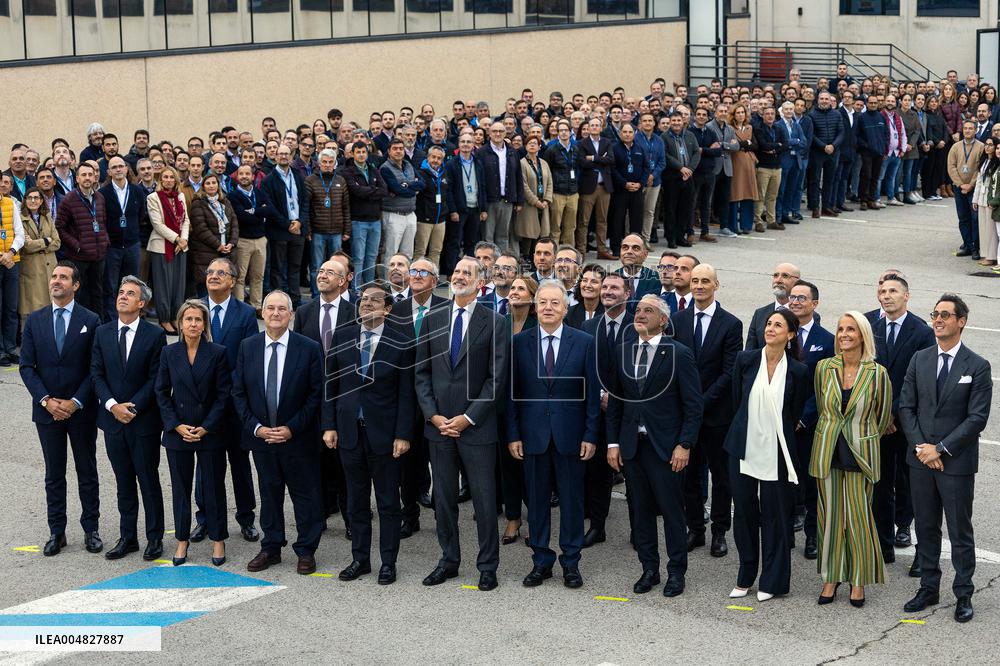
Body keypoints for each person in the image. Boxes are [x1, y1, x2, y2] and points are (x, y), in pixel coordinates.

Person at [413, 257, 509, 592]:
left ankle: (487, 565)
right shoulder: (433, 318)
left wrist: (468, 418)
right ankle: (448, 560)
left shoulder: (495, 322)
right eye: (455, 272)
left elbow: (496, 380)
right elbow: (421, 374)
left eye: (467, 272)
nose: (459, 276)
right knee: (443, 498)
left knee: (483, 499)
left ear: (481, 282)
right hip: (438, 427)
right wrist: (434, 416)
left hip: (476, 428)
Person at [900, 294, 992, 623]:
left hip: (955, 464)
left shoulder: (978, 366)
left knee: (959, 531)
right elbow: (906, 407)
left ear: (961, 321)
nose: (938, 320)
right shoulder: (919, 359)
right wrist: (922, 448)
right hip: (920, 461)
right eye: (935, 314)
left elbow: (976, 418)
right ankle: (928, 586)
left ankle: (964, 592)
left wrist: (940, 449)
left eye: (945, 315)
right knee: (925, 528)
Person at [606, 294, 703, 597]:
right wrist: (613, 443)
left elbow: (693, 405)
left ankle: (676, 572)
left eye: (648, 311)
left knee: (673, 513)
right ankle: (649, 569)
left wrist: (684, 444)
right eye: (638, 310)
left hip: (666, 448)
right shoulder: (623, 352)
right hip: (633, 447)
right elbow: (616, 404)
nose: (640, 314)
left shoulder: (678, 353)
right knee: (641, 512)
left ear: (663, 320)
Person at [508, 281, 600, 589]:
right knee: (536, 502)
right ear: (535, 307)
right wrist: (514, 434)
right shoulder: (520, 343)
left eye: (554, 303)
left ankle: (571, 563)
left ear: (564, 308)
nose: (548, 307)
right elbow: (512, 393)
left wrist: (590, 434)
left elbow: (591, 394)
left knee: (573, 502)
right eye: (543, 302)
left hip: (571, 437)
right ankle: (541, 562)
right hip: (532, 436)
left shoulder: (584, 342)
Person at [322, 282, 415, 585]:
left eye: (375, 301)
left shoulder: (402, 342)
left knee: (388, 503)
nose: (367, 304)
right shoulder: (344, 335)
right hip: (349, 433)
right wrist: (329, 425)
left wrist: (403, 434)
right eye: (364, 300)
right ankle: (360, 559)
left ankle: (388, 562)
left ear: (388, 309)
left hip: (385, 437)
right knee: (356, 501)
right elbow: (331, 386)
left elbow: (406, 395)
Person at [232, 290, 325, 575]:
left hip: (297, 439)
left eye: (281, 309)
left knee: (304, 496)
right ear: (262, 312)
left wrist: (291, 429)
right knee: (269, 494)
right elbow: (238, 392)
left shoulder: (308, 348)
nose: (275, 313)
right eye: (270, 308)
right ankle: (271, 547)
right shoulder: (248, 346)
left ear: (291, 314)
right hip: (262, 440)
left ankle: (306, 550)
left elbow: (315, 394)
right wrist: (257, 428)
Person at [19, 262, 103, 556]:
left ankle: (91, 529)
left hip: (80, 411)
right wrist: (46, 400)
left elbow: (95, 368)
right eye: (54, 276)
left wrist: (75, 402)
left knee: (87, 470)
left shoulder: (91, 320)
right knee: (54, 474)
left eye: (63, 277)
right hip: (46, 411)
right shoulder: (35, 320)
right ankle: (57, 531)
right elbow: (27, 366)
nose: (56, 281)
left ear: (76, 285)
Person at [725, 309, 809, 601]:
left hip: (778, 451)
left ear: (791, 335)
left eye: (778, 325)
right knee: (745, 514)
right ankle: (746, 574)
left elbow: (793, 411)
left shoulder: (799, 371)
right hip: (744, 448)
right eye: (769, 324)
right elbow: (737, 401)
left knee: (776, 516)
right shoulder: (745, 360)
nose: (770, 328)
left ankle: (772, 581)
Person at [810, 311, 892, 608]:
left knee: (858, 519)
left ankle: (858, 580)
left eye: (851, 330)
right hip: (827, 451)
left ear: (862, 336)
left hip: (861, 454)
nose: (844, 334)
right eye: (840, 329)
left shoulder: (877, 373)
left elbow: (882, 418)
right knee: (830, 518)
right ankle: (831, 577)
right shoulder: (823, 368)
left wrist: (862, 436)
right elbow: (823, 407)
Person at [91, 275, 168, 561]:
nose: (123, 296)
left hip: (143, 422)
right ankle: (128, 537)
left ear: (141, 303)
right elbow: (96, 373)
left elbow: (156, 378)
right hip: (112, 421)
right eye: (121, 292)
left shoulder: (155, 335)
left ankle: (154, 538)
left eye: (130, 293)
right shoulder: (103, 332)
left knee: (148, 481)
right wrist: (112, 406)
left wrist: (131, 407)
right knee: (123, 482)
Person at [672, 265, 742, 556]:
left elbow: (729, 372)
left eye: (705, 281)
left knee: (721, 477)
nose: (699, 286)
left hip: (716, 415)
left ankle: (719, 531)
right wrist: (690, 405)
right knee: (688, 475)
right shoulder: (677, 320)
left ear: (716, 285)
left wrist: (700, 402)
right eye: (696, 280)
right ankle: (695, 529)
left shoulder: (731, 323)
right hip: (686, 414)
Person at [155, 299, 231, 567]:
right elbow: (161, 392)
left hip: (209, 430)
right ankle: (182, 540)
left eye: (198, 319)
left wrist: (206, 426)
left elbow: (224, 395)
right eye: (188, 319)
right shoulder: (169, 353)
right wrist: (175, 425)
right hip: (179, 431)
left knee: (213, 488)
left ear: (204, 324)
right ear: (180, 323)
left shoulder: (218, 352)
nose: (193, 324)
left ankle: (219, 539)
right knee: (181, 489)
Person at [867, 274, 935, 565]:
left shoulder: (921, 331)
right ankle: (883, 546)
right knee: (879, 487)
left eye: (893, 291)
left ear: (906, 296)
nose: (887, 295)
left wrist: (894, 412)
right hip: (876, 421)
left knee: (915, 487)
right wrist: (880, 413)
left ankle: (921, 551)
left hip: (907, 421)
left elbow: (919, 379)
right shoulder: (870, 326)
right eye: (882, 291)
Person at [292, 257, 356, 531]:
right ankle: (319, 514)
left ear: (343, 281)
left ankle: (352, 518)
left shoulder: (355, 311)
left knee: (345, 464)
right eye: (320, 271)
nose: (323, 275)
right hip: (313, 399)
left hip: (344, 398)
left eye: (331, 272)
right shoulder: (304, 312)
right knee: (315, 460)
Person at [786, 280, 835, 560]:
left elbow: (826, 386)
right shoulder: (783, 335)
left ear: (814, 304)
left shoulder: (827, 340)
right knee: (787, 479)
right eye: (792, 297)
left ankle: (813, 535)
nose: (795, 302)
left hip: (811, 424)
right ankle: (789, 524)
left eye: (801, 298)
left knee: (812, 482)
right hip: (784, 422)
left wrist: (803, 418)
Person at [55, 162, 108, 317]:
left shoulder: (99, 197)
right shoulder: (69, 199)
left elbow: (103, 222)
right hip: (79, 257)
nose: (87, 178)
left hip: (98, 256)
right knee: (80, 295)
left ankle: (98, 327)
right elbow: (60, 227)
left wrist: (105, 242)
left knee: (98, 294)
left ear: (95, 177)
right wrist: (77, 246)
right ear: (77, 178)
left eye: (90, 174)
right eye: (83, 175)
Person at [261, 145, 310, 307]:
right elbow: (270, 207)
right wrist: (287, 224)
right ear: (275, 156)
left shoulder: (298, 175)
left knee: (295, 267)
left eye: (286, 154)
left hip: (298, 229)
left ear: (291, 156)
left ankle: (295, 300)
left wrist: (300, 222)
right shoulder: (269, 179)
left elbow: (305, 201)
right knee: (278, 268)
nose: (283, 156)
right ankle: (279, 302)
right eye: (280, 154)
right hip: (279, 230)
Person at [98, 156, 145, 322]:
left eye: (121, 166)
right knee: (111, 286)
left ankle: (131, 317)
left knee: (132, 285)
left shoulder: (137, 191)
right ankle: (112, 320)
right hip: (112, 247)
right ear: (109, 172)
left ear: (126, 169)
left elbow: (140, 215)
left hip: (132, 245)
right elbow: (101, 219)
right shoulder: (103, 194)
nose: (118, 169)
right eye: (114, 167)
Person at [146, 166, 189, 335]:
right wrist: (177, 238)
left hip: (181, 247)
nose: (169, 180)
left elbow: (185, 220)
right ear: (160, 179)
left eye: (172, 177)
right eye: (166, 177)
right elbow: (157, 224)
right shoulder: (153, 198)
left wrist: (183, 240)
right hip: (161, 246)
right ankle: (164, 319)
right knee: (164, 284)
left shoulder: (180, 196)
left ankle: (175, 317)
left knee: (178, 285)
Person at [304, 148, 351, 295]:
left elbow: (346, 206)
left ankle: (335, 293)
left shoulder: (340, 180)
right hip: (318, 231)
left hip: (337, 231)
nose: (327, 165)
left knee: (336, 267)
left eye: (331, 162)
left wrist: (347, 230)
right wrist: (308, 230)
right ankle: (316, 295)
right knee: (317, 267)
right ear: (319, 163)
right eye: (324, 162)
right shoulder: (310, 180)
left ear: (335, 163)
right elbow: (306, 208)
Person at [342, 142, 386, 290]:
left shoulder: (373, 169)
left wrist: (367, 191)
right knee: (358, 258)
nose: (361, 154)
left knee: (372, 257)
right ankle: (356, 289)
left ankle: (369, 288)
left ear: (367, 153)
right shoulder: (347, 171)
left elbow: (384, 190)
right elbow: (356, 191)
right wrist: (373, 190)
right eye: (358, 152)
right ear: (352, 154)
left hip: (375, 221)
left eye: (363, 152)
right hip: (358, 221)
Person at [442, 134, 487, 274]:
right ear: (458, 144)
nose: (466, 144)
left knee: (471, 242)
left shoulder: (478, 163)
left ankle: (470, 271)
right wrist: (453, 210)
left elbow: (483, 187)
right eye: (463, 141)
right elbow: (448, 189)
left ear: (473, 144)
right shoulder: (451, 164)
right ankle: (451, 271)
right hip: (459, 210)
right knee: (454, 242)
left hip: (475, 208)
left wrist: (483, 209)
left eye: (469, 141)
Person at [228, 164, 270, 313]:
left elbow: (268, 210)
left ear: (253, 177)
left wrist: (253, 211)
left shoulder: (259, 193)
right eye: (241, 174)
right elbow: (241, 216)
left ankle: (256, 306)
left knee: (258, 276)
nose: (244, 176)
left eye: (247, 174)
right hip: (242, 241)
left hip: (260, 240)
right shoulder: (232, 196)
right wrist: (259, 212)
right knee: (240, 277)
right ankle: (240, 307)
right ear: (237, 177)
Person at [188, 174, 239, 291]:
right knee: (206, 287)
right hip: (206, 252)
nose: (211, 186)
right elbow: (201, 229)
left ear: (218, 185)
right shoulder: (198, 203)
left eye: (214, 183)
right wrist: (218, 245)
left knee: (223, 287)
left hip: (226, 251)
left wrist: (232, 243)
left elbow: (234, 224)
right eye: (208, 183)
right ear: (203, 186)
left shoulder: (225, 202)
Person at [478, 122, 523, 253]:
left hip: (507, 200)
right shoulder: (482, 153)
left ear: (505, 133)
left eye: (501, 131)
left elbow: (518, 176)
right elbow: (480, 181)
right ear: (489, 134)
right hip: (490, 201)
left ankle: (502, 266)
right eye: (494, 131)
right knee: (488, 237)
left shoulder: (512, 152)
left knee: (503, 236)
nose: (498, 134)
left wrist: (519, 200)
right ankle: (487, 267)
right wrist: (482, 205)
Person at [17, 188, 60, 318]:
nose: (33, 201)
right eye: (30, 198)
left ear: (41, 201)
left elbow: (57, 242)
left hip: (50, 267)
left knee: (51, 309)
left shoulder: (47, 217)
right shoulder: (20, 219)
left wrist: (38, 243)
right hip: (32, 269)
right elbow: (26, 246)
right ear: (25, 200)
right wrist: (46, 241)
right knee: (33, 311)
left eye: (36, 198)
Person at [661, 111, 701, 247]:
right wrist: (680, 168)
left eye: (679, 120)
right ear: (670, 122)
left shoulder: (690, 135)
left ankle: (680, 236)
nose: (676, 123)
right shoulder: (664, 137)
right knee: (671, 209)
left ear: (683, 121)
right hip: (672, 178)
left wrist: (690, 169)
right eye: (674, 121)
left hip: (688, 177)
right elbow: (665, 155)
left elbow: (696, 152)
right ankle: (671, 238)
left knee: (685, 209)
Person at [380, 138, 425, 259]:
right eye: (395, 149)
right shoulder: (385, 168)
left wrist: (406, 185)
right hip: (394, 215)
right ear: (389, 151)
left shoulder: (409, 165)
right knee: (390, 252)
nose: (398, 151)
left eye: (401, 148)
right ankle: (387, 278)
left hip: (410, 214)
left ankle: (404, 278)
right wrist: (412, 189)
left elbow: (422, 184)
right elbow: (397, 189)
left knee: (408, 253)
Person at [577, 117, 615, 259]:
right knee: (583, 221)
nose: (594, 127)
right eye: (591, 125)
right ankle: (581, 250)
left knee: (602, 220)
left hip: (604, 187)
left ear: (601, 127)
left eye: (596, 125)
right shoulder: (582, 143)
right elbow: (582, 163)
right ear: (588, 127)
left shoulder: (607, 142)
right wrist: (600, 159)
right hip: (588, 187)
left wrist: (592, 158)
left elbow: (611, 160)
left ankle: (602, 250)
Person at [947, 120, 984, 260]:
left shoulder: (981, 147)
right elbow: (951, 167)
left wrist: (971, 184)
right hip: (959, 188)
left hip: (974, 189)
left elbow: (980, 168)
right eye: (965, 128)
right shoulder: (955, 147)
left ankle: (976, 247)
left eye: (971, 128)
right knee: (963, 217)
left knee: (975, 218)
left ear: (975, 131)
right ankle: (967, 245)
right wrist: (960, 184)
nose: (968, 130)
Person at [609, 124, 647, 256]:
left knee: (636, 221)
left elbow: (646, 167)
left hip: (636, 190)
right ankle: (615, 248)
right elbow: (612, 169)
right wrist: (624, 183)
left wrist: (640, 184)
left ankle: (636, 248)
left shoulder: (640, 148)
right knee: (617, 220)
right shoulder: (614, 148)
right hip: (620, 190)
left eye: (630, 132)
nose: (627, 134)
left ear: (634, 133)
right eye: (624, 132)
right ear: (620, 134)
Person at [543, 119, 582, 245]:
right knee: (555, 227)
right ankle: (553, 254)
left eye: (566, 130)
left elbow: (578, 168)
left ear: (571, 132)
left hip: (573, 193)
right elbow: (547, 172)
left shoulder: (576, 148)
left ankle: (569, 253)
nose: (564, 133)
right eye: (561, 130)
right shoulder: (551, 150)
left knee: (571, 227)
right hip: (557, 193)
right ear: (558, 132)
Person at [807, 92, 845, 218]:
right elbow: (811, 135)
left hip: (833, 152)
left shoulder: (837, 114)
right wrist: (824, 146)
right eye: (822, 99)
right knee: (815, 180)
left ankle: (826, 207)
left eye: (826, 99)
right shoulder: (811, 115)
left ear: (830, 101)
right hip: (817, 152)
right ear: (818, 100)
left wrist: (833, 146)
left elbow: (841, 132)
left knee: (830, 180)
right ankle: (815, 207)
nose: (824, 101)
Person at [515, 137, 553, 259]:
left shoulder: (544, 163)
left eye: (535, 143)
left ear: (539, 147)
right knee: (529, 232)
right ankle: (527, 257)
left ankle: (538, 257)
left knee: (542, 232)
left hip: (544, 204)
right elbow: (523, 185)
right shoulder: (521, 163)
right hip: (530, 204)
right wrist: (536, 201)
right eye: (529, 143)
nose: (532, 145)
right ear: (525, 146)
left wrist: (546, 199)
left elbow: (550, 183)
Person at [413, 145, 450, 267]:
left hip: (440, 219)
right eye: (433, 157)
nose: (436, 160)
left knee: (436, 251)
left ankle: (433, 277)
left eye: (439, 158)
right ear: (428, 157)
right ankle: (416, 276)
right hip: (424, 219)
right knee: (420, 251)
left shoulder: (444, 173)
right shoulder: (420, 172)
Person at [753, 107, 787, 231]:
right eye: (767, 114)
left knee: (773, 195)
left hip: (777, 167)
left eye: (772, 113)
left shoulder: (779, 128)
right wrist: (776, 145)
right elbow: (763, 145)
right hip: (763, 167)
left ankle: (771, 220)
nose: (770, 116)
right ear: (762, 115)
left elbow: (785, 145)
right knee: (760, 196)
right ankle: (758, 221)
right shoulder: (758, 129)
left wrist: (773, 148)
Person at [729, 104, 759, 235]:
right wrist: (746, 143)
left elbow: (756, 145)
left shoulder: (749, 127)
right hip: (735, 163)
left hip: (748, 165)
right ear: (733, 115)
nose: (740, 114)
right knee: (735, 195)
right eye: (738, 112)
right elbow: (732, 145)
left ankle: (746, 225)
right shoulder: (730, 128)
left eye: (742, 112)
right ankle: (733, 226)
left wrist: (744, 145)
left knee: (748, 194)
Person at [973, 136, 999, 267]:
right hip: (981, 198)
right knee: (982, 229)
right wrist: (975, 199)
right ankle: (984, 253)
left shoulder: (996, 163)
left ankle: (992, 256)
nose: (988, 147)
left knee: (991, 231)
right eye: (986, 144)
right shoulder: (984, 161)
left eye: (991, 145)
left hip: (990, 200)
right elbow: (978, 181)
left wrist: (993, 201)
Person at [566, 262, 604, 329]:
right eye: (585, 280)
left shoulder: (609, 314)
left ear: (603, 286)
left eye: (594, 282)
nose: (588, 285)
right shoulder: (569, 313)